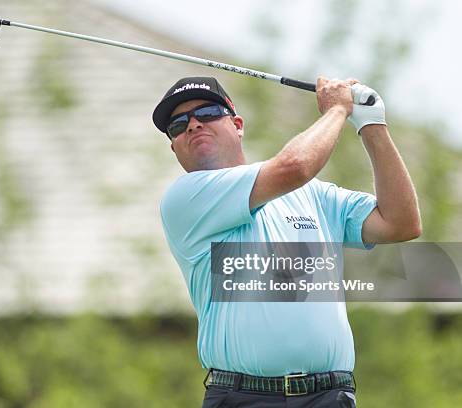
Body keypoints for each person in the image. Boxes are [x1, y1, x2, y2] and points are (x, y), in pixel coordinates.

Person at [152, 76, 421, 407]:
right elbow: (296, 166)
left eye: (206, 113)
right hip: (243, 397)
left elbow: (401, 223)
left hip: (329, 396)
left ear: (237, 124)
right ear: (174, 145)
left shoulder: (313, 195)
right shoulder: (186, 197)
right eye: (178, 124)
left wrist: (372, 125)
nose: (192, 125)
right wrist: (338, 109)